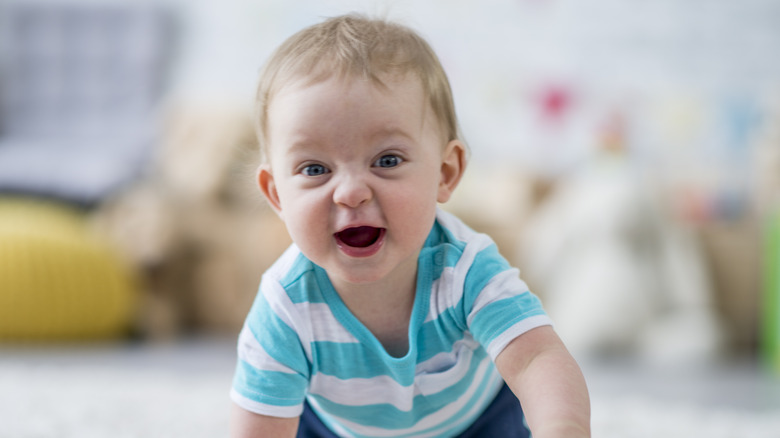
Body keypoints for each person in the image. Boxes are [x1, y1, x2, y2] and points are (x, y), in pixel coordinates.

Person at [230, 14, 590, 438]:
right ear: (276, 194)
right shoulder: (284, 307)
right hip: (336, 430)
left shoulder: (466, 269)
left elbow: (535, 359)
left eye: (386, 161)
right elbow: (260, 427)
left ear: (444, 172)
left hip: (475, 422)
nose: (350, 193)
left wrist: (563, 429)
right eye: (314, 168)